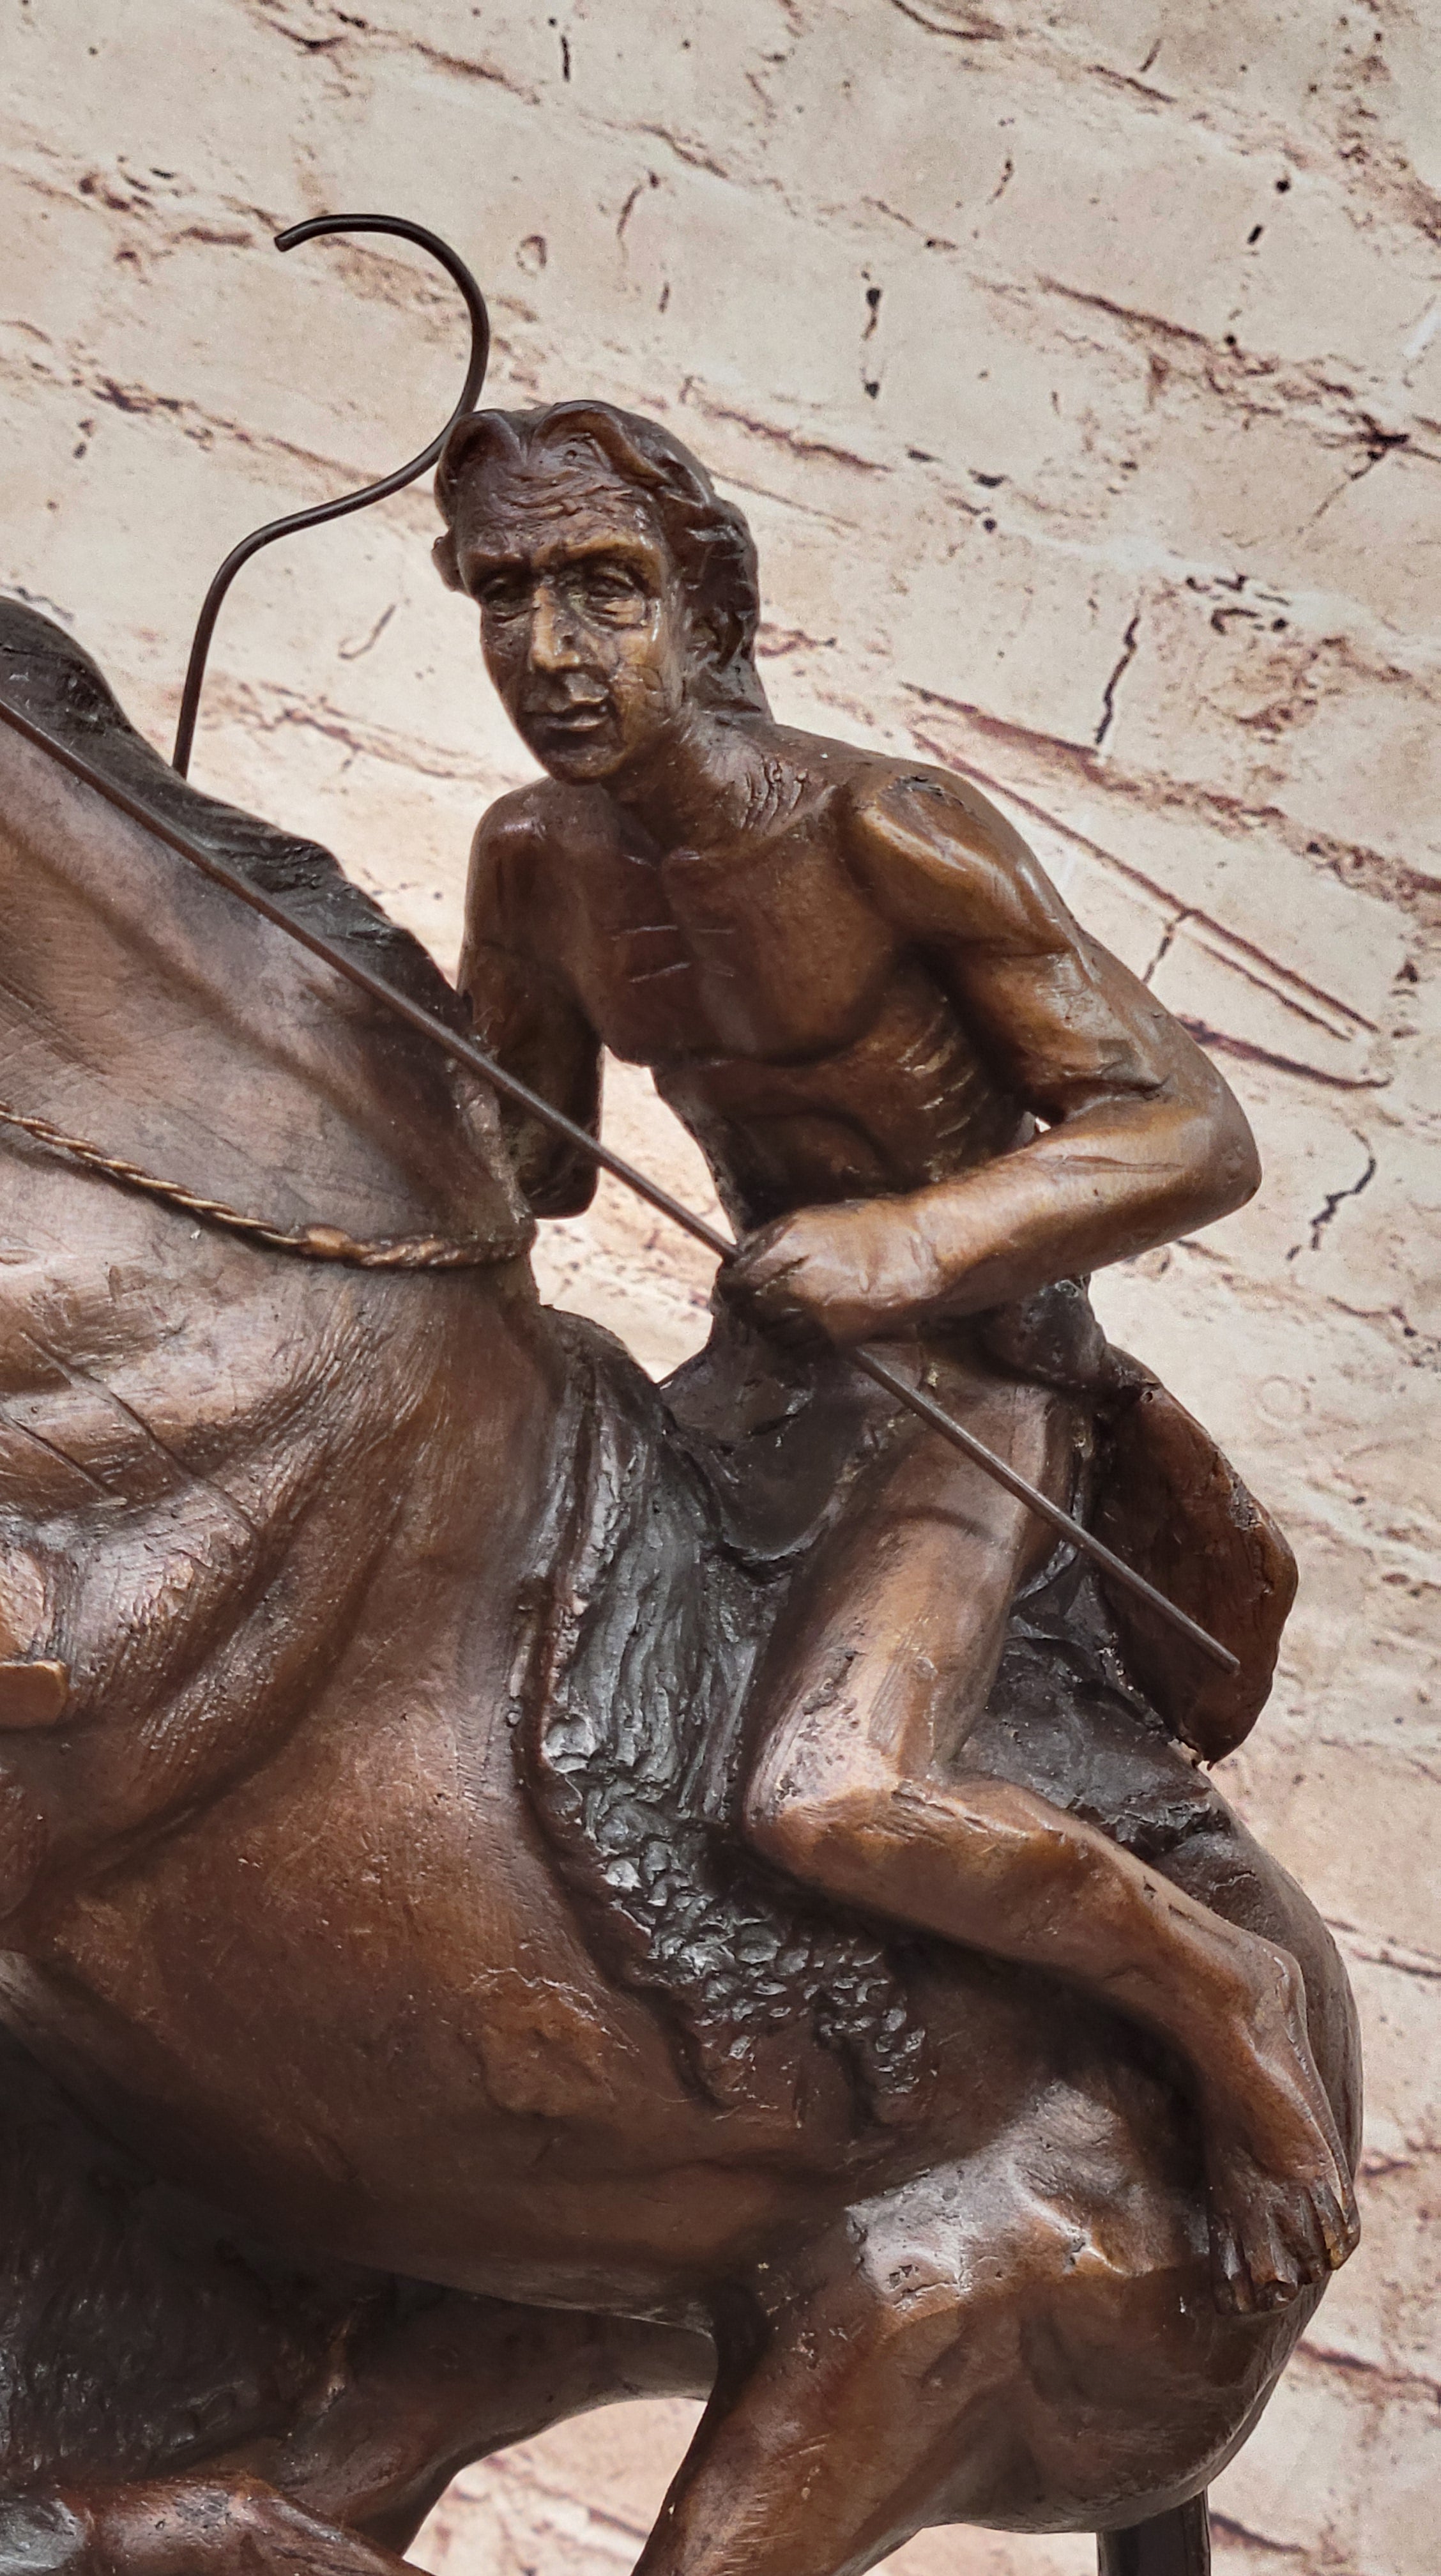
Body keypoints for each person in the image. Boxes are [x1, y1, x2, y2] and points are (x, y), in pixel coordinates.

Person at [433, 397, 1357, 2311]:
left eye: (604, 588)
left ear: (708, 609)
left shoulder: (885, 827)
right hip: (753, 1391)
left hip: (976, 1391)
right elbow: (528, 1158)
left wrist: (906, 1242)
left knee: (831, 1799)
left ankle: (1225, 1998)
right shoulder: (533, 859)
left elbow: (1189, 1130)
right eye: (505, 595)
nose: (551, 650)